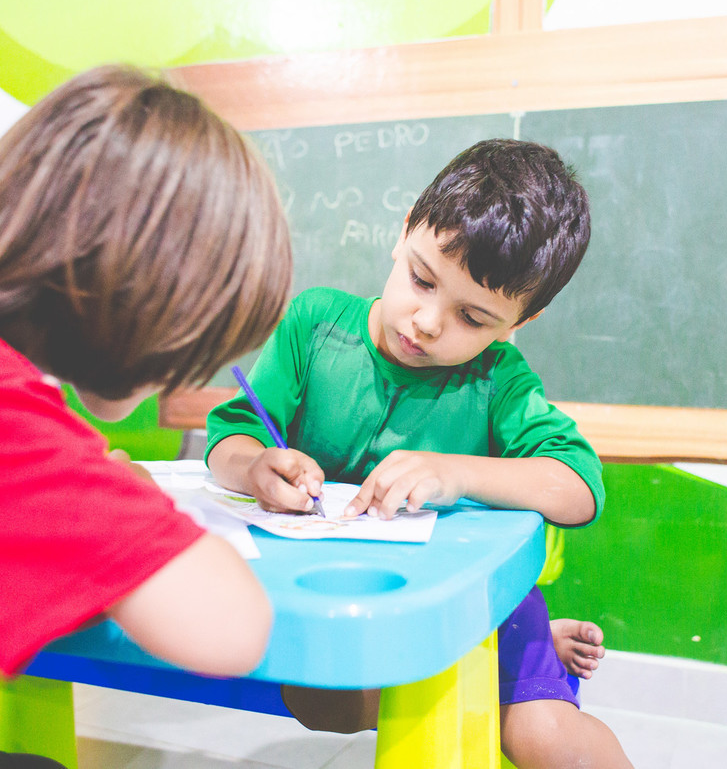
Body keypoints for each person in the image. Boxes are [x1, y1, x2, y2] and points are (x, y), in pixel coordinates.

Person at [0, 65, 293, 769]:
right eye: (202, 343)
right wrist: (120, 489)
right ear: (151, 296)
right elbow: (231, 629)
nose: (186, 377)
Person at [205, 139, 633, 768]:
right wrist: (253, 467)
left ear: (520, 321)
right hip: (350, 595)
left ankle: (502, 651)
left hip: (480, 600)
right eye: (421, 279)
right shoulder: (315, 326)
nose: (428, 322)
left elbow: (578, 486)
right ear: (404, 231)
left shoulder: (498, 380)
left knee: (543, 739)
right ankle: (492, 662)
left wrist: (453, 472)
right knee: (324, 705)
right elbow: (230, 439)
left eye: (473, 317)